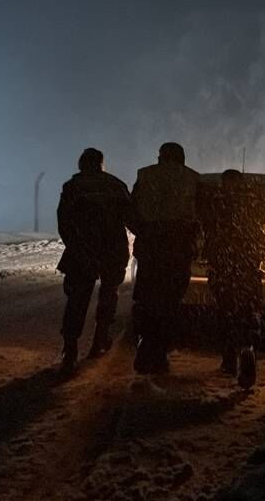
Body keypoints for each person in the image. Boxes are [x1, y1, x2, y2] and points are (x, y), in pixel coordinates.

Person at [56, 147, 134, 373]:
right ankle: (100, 339)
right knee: (109, 293)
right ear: (102, 164)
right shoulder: (116, 185)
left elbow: (64, 221)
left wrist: (75, 244)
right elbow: (131, 218)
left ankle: (70, 350)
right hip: (112, 250)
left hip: (82, 250)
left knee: (77, 300)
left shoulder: (73, 187)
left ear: (81, 164)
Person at [131, 142, 200, 374]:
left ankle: (145, 345)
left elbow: (131, 211)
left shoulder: (145, 176)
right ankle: (159, 353)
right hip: (178, 249)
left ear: (160, 157)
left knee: (148, 299)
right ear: (182, 159)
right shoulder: (192, 179)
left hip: (151, 248)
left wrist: (144, 231)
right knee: (171, 301)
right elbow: (202, 214)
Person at [203, 169, 265, 389]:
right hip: (248, 266)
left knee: (225, 310)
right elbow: (264, 225)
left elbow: (206, 226)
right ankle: (248, 349)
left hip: (222, 265)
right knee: (249, 308)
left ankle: (229, 358)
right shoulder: (254, 200)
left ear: (224, 183)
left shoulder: (215, 201)